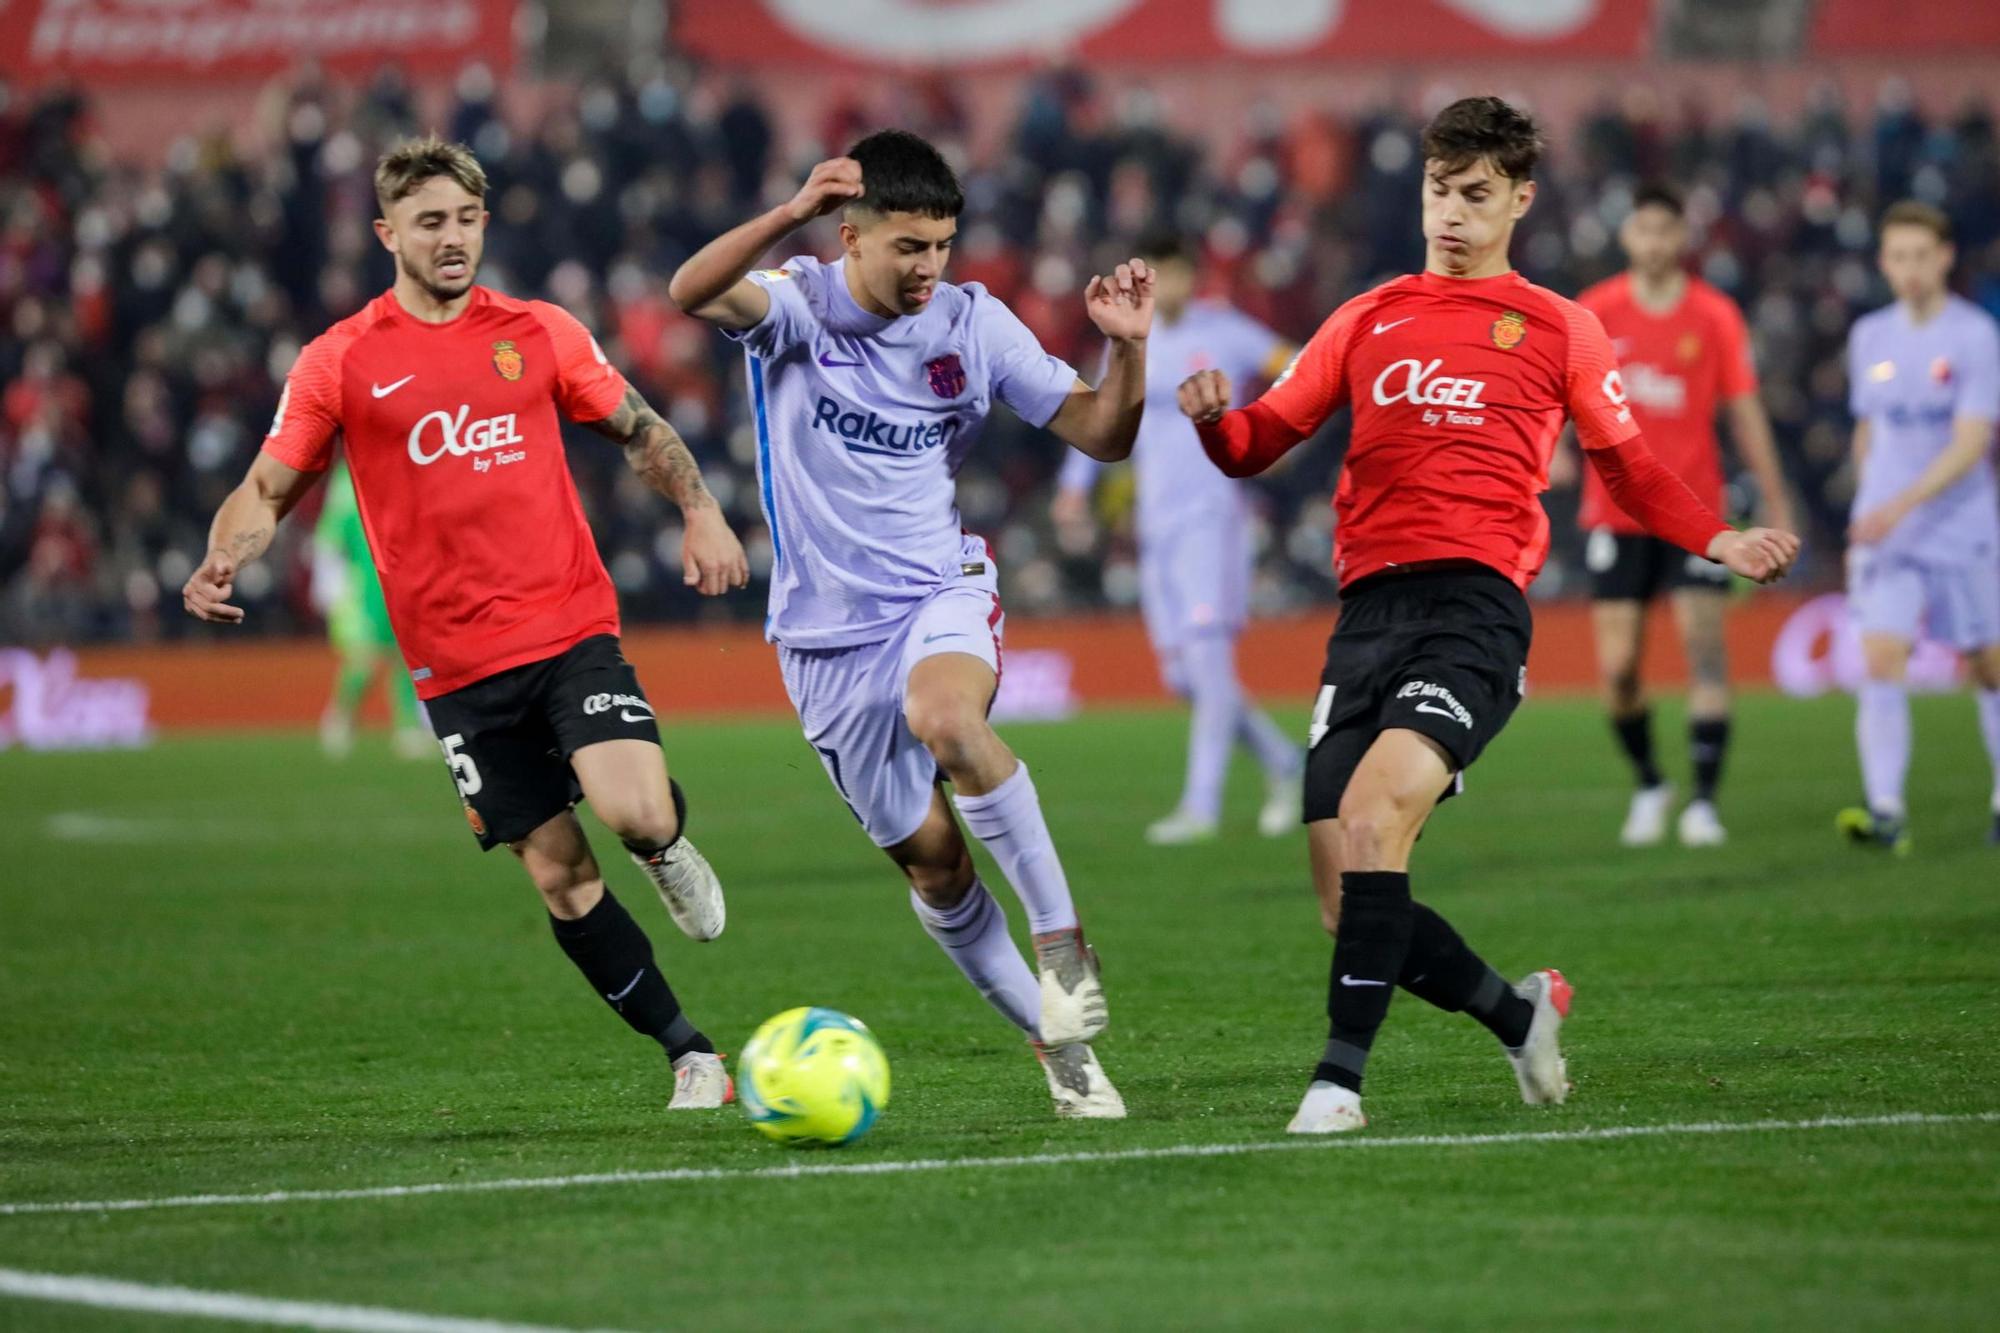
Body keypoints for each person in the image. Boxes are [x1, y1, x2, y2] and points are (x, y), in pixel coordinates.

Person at [1177, 97, 1798, 1134]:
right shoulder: (1365, 316)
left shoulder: (1560, 326)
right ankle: (1517, 1014)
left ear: (1519, 198)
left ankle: (1336, 1085)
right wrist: (1209, 422)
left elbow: (1631, 469)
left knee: (1376, 822)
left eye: (1473, 195)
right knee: (1346, 897)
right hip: (1366, 610)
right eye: (1437, 191)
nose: (1450, 213)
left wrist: (1718, 537)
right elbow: (1257, 441)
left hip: (1473, 610)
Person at [182, 136, 749, 1110]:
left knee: (634, 812)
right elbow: (267, 485)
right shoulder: (340, 361)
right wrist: (226, 551)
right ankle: (689, 1053)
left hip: (567, 627)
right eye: (430, 222)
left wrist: (698, 508)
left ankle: (663, 849)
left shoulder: (539, 332)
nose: (452, 239)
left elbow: (640, 430)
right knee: (562, 878)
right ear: (386, 233)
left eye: (466, 219)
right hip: (454, 672)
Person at [671, 129, 1152, 1118]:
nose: (929, 266)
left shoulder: (973, 325)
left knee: (949, 718)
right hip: (821, 640)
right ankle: (1058, 1052)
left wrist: (1127, 351)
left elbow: (1102, 433)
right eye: (907, 246)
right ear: (851, 234)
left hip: (937, 590)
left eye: (941, 244)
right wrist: (785, 214)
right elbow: (690, 289)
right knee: (935, 867)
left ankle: (1061, 945)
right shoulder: (799, 309)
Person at [1052, 230, 1304, 845]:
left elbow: (1297, 365)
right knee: (1184, 678)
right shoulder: (1128, 343)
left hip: (1211, 518)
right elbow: (1098, 412)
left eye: (1178, 273)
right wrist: (1073, 487)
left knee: (1208, 661)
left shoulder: (1224, 330)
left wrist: (1280, 432)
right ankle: (1288, 765)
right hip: (1154, 525)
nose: (1170, 286)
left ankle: (1201, 807)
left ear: (1194, 275)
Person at [1571, 183, 1794, 848]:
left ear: (1681, 238)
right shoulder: (1594, 311)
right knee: (1617, 671)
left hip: (1698, 513)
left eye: (1666, 230)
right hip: (1613, 511)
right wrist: (1547, 453)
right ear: (1627, 237)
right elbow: (1554, 389)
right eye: (1644, 229)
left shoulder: (1714, 315)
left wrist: (1776, 496)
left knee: (1704, 651)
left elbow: (1744, 407)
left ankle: (1702, 802)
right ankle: (1649, 782)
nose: (1655, 242)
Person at [1836, 201, 2000, 853]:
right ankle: (1886, 809)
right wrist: (1865, 507)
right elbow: (1868, 429)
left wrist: (1899, 503)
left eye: (1919, 255)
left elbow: (1970, 443)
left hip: (1960, 525)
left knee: (1988, 667)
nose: (1908, 268)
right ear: (1883, 262)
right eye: (1896, 256)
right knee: (1881, 656)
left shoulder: (1974, 337)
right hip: (1886, 530)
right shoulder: (1870, 335)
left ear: (1945, 257)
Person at [311, 460, 431, 760]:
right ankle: (340, 715)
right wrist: (327, 583)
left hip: (401, 579)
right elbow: (330, 536)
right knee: (366, 656)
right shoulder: (347, 479)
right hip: (363, 585)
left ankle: (407, 727)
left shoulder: (402, 469)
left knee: (407, 655)